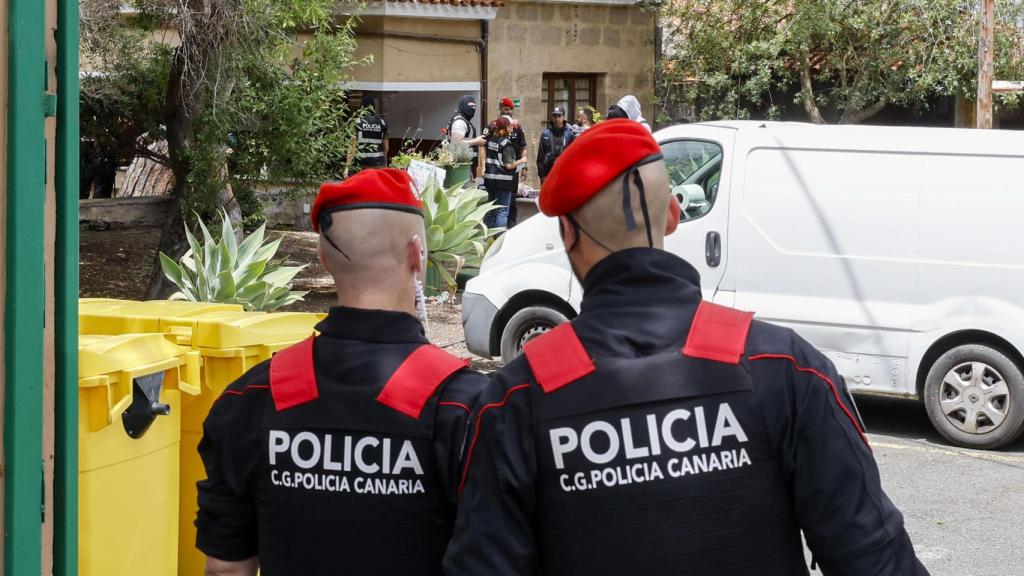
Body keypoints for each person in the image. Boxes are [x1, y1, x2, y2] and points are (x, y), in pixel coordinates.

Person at [444, 120, 928, 576]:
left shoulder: (517, 397)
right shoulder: (781, 365)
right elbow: (872, 555)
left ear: (567, 233)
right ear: (673, 215)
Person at [196, 169, 487, 576]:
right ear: (418, 255)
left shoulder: (251, 398)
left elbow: (226, 568)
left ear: (323, 259)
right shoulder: (467, 406)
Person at [473, 98, 529, 227]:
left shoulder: (517, 127)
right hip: (500, 171)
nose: (508, 111)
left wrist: (523, 167)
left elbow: (523, 147)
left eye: (510, 109)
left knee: (509, 203)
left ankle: (507, 230)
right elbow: (482, 145)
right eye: (505, 109)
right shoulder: (492, 126)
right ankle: (499, 236)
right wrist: (482, 166)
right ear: (500, 108)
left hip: (511, 172)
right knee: (501, 208)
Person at [482, 116, 526, 229]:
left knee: (490, 209)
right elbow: (509, 165)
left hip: (490, 180)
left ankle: (487, 238)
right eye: (511, 126)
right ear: (506, 127)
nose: (513, 127)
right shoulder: (506, 144)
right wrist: (522, 161)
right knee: (502, 211)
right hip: (503, 182)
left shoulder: (490, 141)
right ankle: (499, 239)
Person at [345, 96, 389, 176]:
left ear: (361, 108)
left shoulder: (357, 123)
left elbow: (352, 148)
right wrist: (384, 164)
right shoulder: (382, 123)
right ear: (373, 108)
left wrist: (347, 168)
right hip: (378, 165)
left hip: (361, 165)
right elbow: (386, 148)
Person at [536, 106, 576, 185]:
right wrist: (542, 176)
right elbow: (540, 157)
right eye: (554, 116)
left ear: (563, 117)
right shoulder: (545, 134)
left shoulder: (569, 134)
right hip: (548, 174)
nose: (557, 119)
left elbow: (573, 157)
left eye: (559, 116)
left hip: (563, 175)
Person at [446, 95, 479, 176]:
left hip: (464, 164)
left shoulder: (463, 120)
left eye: (474, 106)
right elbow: (456, 144)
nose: (473, 108)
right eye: (471, 106)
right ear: (464, 106)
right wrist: (477, 141)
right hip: (458, 167)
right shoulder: (460, 122)